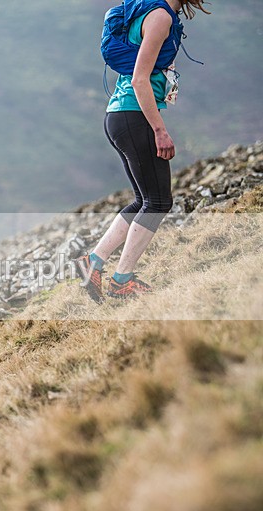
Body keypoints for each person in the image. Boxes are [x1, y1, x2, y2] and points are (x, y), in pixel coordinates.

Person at [77, 0, 210, 302]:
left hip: (120, 116)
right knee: (159, 201)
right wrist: (160, 130)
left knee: (144, 200)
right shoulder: (160, 16)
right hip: (134, 116)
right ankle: (122, 280)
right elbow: (139, 79)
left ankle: (92, 263)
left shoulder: (148, 13)